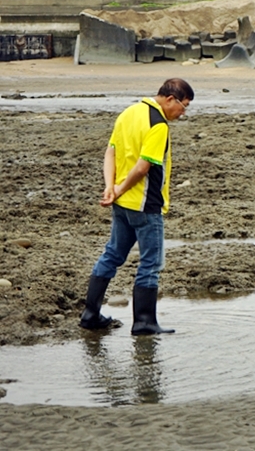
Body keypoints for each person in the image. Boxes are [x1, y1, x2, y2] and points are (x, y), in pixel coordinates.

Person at [79, 78, 194, 336]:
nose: (183, 113)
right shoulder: (158, 124)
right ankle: (144, 322)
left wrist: (111, 187)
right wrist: (117, 189)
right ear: (170, 99)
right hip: (145, 205)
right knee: (151, 264)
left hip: (122, 205)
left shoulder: (128, 112)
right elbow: (143, 167)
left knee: (112, 255)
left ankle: (90, 314)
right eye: (184, 106)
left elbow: (110, 152)